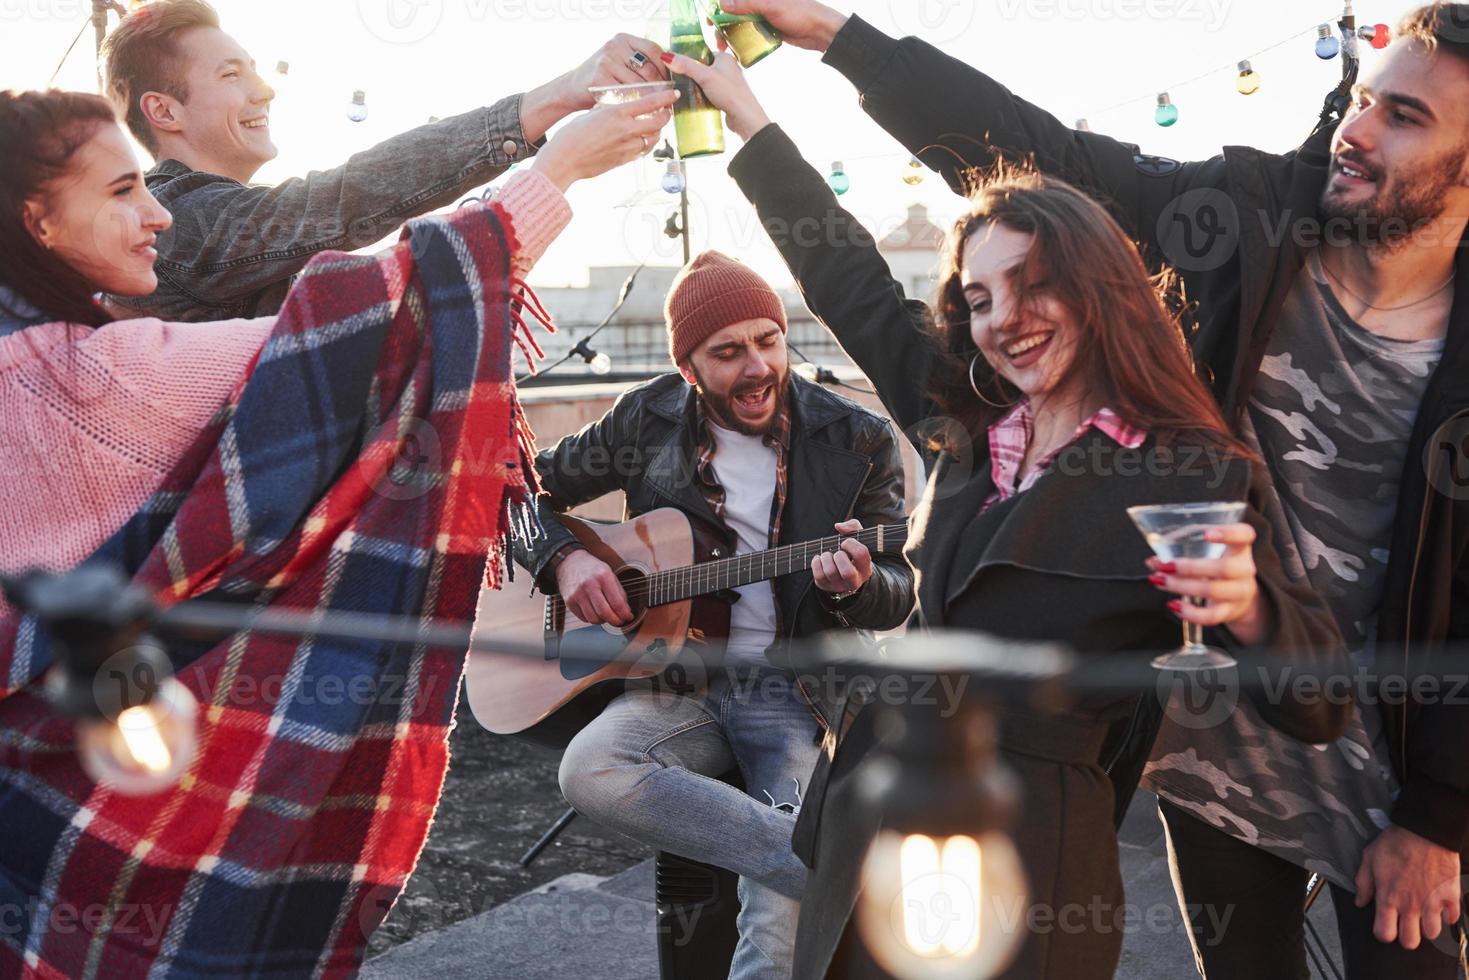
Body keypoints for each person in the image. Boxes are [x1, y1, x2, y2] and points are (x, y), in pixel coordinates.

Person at [711, 0, 1469, 974]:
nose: (1354, 129)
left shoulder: (1182, 476)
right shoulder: (978, 422)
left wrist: (1440, 807)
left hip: (1379, 752)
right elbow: (885, 257)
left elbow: (1312, 681)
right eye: (1361, 98)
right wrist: (796, 70)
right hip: (1044, 789)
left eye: (1402, 117)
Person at [0, 85, 672, 975]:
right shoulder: (91, 382)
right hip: (89, 826)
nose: (158, 212)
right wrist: (560, 166)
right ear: (37, 221)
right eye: (123, 191)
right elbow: (383, 315)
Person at [518, 250, 916, 979]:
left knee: (775, 924)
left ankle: (807, 871)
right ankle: (830, 865)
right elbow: (516, 488)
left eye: (768, 340)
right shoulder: (646, 415)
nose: (757, 366)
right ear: (689, 366)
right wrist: (563, 560)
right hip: (680, 682)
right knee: (589, 768)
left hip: (797, 688)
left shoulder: (856, 439)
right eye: (727, 352)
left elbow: (898, 587)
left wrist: (852, 585)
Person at [99, 0, 674, 321]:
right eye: (231, 74)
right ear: (163, 111)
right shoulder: (176, 221)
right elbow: (347, 198)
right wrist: (558, 108)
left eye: (254, 67)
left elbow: (389, 277)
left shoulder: (225, 230)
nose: (264, 90)